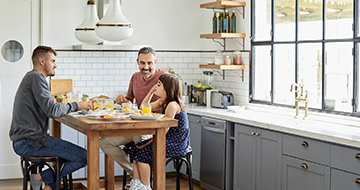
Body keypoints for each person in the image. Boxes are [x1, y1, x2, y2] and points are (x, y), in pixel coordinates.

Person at [9, 45, 96, 190]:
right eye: (53, 61)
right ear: (42, 61)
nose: (55, 65)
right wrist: (78, 105)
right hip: (29, 142)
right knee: (86, 156)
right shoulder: (36, 79)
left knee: (73, 155)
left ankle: (49, 185)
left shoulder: (32, 78)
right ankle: (39, 178)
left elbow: (50, 107)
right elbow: (52, 111)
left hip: (27, 139)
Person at [99, 47, 168, 180]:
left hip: (155, 129)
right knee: (104, 143)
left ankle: (144, 180)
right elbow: (130, 101)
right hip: (137, 125)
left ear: (156, 62)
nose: (146, 67)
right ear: (137, 62)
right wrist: (123, 100)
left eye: (150, 63)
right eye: (142, 63)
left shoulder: (164, 78)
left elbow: (171, 103)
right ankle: (136, 175)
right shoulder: (135, 77)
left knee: (139, 138)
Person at [128, 74, 190, 190]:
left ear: (166, 89)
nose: (156, 86)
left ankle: (145, 186)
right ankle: (136, 184)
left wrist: (148, 142)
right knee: (135, 149)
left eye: (159, 85)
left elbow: (164, 131)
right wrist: (151, 92)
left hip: (176, 143)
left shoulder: (172, 105)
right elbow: (143, 107)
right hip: (166, 139)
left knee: (142, 153)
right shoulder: (164, 101)